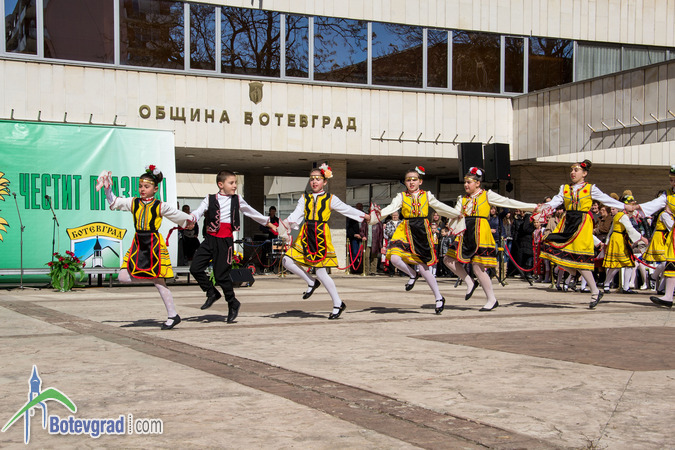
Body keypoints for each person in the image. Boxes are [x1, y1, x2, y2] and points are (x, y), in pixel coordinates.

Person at [100, 165, 193, 330]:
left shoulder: (160, 206)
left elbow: (180, 217)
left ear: (155, 189)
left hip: (153, 244)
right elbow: (114, 201)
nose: (142, 189)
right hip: (138, 243)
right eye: (141, 186)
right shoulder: (133, 202)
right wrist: (107, 189)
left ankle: (173, 315)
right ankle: (154, 283)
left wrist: (191, 220)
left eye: (146, 186)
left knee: (159, 281)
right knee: (123, 276)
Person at [282, 164, 370, 319]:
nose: (314, 182)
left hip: (321, 236)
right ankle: (311, 282)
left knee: (321, 273)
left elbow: (346, 209)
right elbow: (295, 215)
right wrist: (283, 224)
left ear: (325, 181)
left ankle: (337, 303)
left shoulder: (330, 198)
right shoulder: (304, 198)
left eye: (318, 179)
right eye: (312, 179)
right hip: (305, 234)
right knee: (286, 260)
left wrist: (364, 216)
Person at [443, 167, 537, 311]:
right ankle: (469, 282)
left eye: (469, 182)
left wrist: (533, 207)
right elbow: (454, 212)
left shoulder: (487, 195)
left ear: (477, 183)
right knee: (448, 259)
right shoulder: (462, 199)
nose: (466, 185)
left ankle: (491, 299)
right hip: (466, 233)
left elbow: (508, 202)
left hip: (481, 232)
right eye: (465, 182)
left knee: (478, 267)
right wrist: (452, 219)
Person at [189, 170, 277, 323]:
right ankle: (211, 292)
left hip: (225, 241)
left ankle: (232, 302)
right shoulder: (209, 198)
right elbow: (198, 212)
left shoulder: (237, 199)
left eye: (235, 182)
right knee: (195, 268)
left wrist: (268, 223)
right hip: (210, 239)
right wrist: (191, 219)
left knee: (221, 275)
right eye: (231, 183)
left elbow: (251, 212)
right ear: (220, 184)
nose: (235, 185)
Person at [540, 160, 630, 309]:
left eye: (576, 170)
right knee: (550, 244)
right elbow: (555, 201)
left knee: (580, 258)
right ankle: (574, 272)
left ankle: (594, 290)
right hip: (568, 222)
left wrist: (625, 206)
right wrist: (543, 208)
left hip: (582, 223)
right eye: (572, 170)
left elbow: (606, 199)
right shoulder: (565, 188)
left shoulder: (590, 188)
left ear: (584, 173)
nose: (572, 173)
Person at [374, 166, 461, 314]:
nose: (411, 182)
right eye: (408, 180)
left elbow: (440, 206)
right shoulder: (401, 196)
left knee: (424, 267)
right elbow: (391, 208)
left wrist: (456, 213)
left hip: (421, 230)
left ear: (420, 181)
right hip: (405, 228)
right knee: (394, 257)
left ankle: (439, 297)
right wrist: (376, 215)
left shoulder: (427, 195)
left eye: (414, 179)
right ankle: (412, 274)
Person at [635, 166, 675, 308]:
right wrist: (636, 208)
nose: (673, 183)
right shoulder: (668, 195)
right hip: (673, 236)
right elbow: (653, 205)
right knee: (671, 263)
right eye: (671, 180)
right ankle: (668, 296)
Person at [602, 195, 648, 294]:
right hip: (619, 241)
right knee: (618, 264)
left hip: (618, 240)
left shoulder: (618, 215)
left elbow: (611, 230)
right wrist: (642, 238)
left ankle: (614, 285)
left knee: (627, 264)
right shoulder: (623, 216)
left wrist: (607, 242)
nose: (632, 207)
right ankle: (611, 285)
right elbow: (630, 229)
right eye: (631, 205)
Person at [347, 203, 365, 273]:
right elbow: (349, 228)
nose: (359, 208)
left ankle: (362, 269)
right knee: (355, 253)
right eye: (358, 207)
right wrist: (354, 234)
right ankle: (354, 268)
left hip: (363, 238)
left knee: (363, 254)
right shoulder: (353, 217)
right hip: (355, 238)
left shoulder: (365, 216)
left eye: (360, 207)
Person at [383, 211, 402, 276]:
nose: (394, 217)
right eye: (393, 215)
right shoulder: (388, 223)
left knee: (400, 257)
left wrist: (396, 234)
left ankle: (401, 272)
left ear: (398, 216)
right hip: (391, 243)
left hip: (400, 243)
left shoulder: (401, 223)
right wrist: (397, 234)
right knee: (392, 257)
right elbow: (388, 232)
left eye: (396, 215)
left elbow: (403, 232)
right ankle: (392, 272)